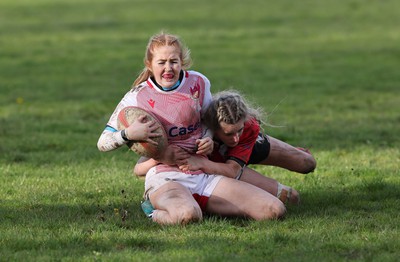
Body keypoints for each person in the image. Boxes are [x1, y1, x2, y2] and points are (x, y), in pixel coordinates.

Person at [97, 32, 286, 225]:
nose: (168, 68)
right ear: (149, 64)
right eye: (161, 62)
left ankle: (202, 204)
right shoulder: (136, 96)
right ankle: (152, 208)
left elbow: (209, 120)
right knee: (187, 216)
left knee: (274, 210)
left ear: (182, 62)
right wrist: (128, 134)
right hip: (165, 176)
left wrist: (208, 138)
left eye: (174, 61)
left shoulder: (198, 83)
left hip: (201, 173)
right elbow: (102, 143)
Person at [135, 90, 315, 205]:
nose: (235, 138)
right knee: (290, 198)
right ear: (212, 128)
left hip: (247, 150)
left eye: (239, 129)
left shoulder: (247, 129)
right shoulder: (192, 127)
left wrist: (200, 162)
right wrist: (163, 157)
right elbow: (140, 168)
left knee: (307, 163)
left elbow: (233, 169)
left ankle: (297, 151)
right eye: (228, 133)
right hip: (223, 165)